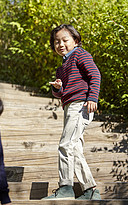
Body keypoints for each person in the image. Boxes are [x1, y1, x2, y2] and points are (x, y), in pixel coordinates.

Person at [44, 24, 101, 200]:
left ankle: (66, 187)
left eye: (64, 40)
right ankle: (90, 190)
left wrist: (92, 98)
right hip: (69, 106)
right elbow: (61, 94)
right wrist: (58, 89)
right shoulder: (61, 68)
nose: (60, 44)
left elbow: (95, 74)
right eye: (56, 42)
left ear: (75, 41)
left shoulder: (80, 54)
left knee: (65, 145)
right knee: (74, 148)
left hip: (80, 105)